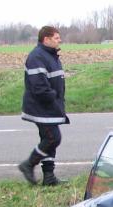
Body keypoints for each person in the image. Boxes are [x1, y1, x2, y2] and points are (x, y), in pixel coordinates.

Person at [18, 26, 68, 185]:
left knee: (48, 140)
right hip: (41, 107)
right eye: (56, 37)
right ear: (46, 39)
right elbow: (39, 87)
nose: (59, 40)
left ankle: (49, 177)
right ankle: (28, 164)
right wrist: (53, 97)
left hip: (50, 106)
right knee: (53, 138)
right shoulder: (37, 57)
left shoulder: (50, 55)